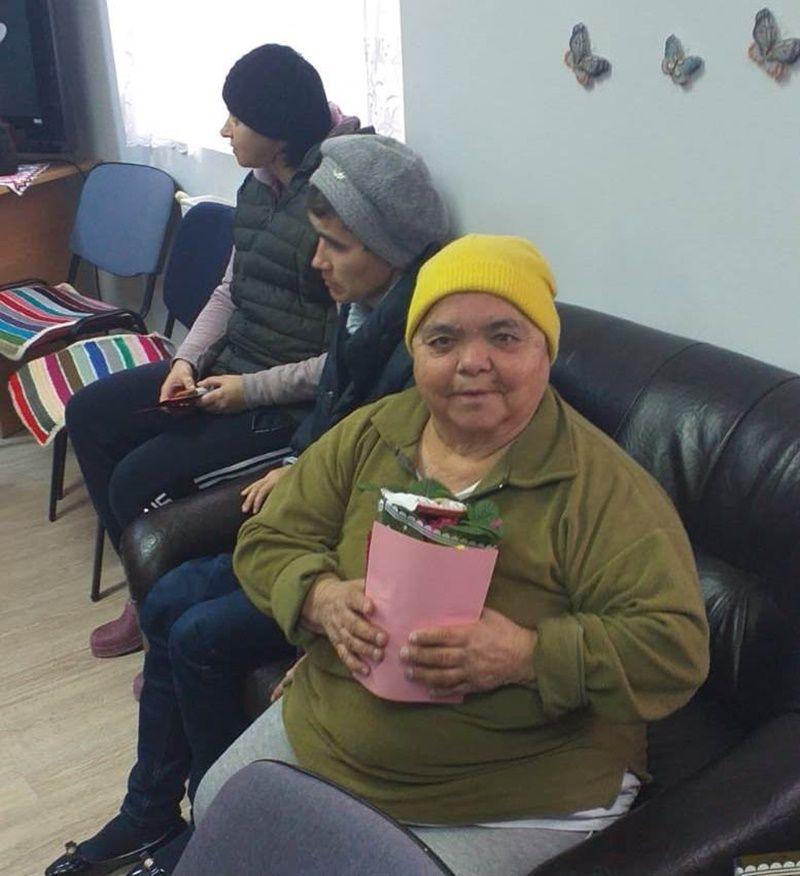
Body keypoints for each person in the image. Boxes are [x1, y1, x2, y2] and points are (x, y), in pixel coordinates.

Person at [188, 235, 710, 876]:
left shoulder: (602, 489)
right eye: (442, 341)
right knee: (217, 808)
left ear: (545, 350)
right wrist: (319, 598)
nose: (473, 363)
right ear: (414, 354)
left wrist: (526, 655)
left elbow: (674, 650)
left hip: (509, 792)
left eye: (504, 337)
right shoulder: (373, 432)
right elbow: (268, 539)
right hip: (333, 734)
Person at [44, 135, 449, 876]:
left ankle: (214, 824)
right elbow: (332, 428)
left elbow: (401, 505)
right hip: (313, 529)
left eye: (336, 246)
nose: (317, 261)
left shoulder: (423, 344)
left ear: (391, 247)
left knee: (197, 633)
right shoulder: (362, 309)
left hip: (347, 560)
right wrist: (296, 465)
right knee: (167, 596)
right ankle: (149, 811)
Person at [67, 44, 344, 660]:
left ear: (278, 132)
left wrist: (249, 390)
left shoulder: (337, 203)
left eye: (237, 119)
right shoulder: (259, 187)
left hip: (281, 403)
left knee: (136, 479)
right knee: (91, 413)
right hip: (226, 367)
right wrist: (185, 362)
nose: (224, 130)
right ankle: (146, 587)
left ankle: (157, 615)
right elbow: (228, 290)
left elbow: (345, 359)